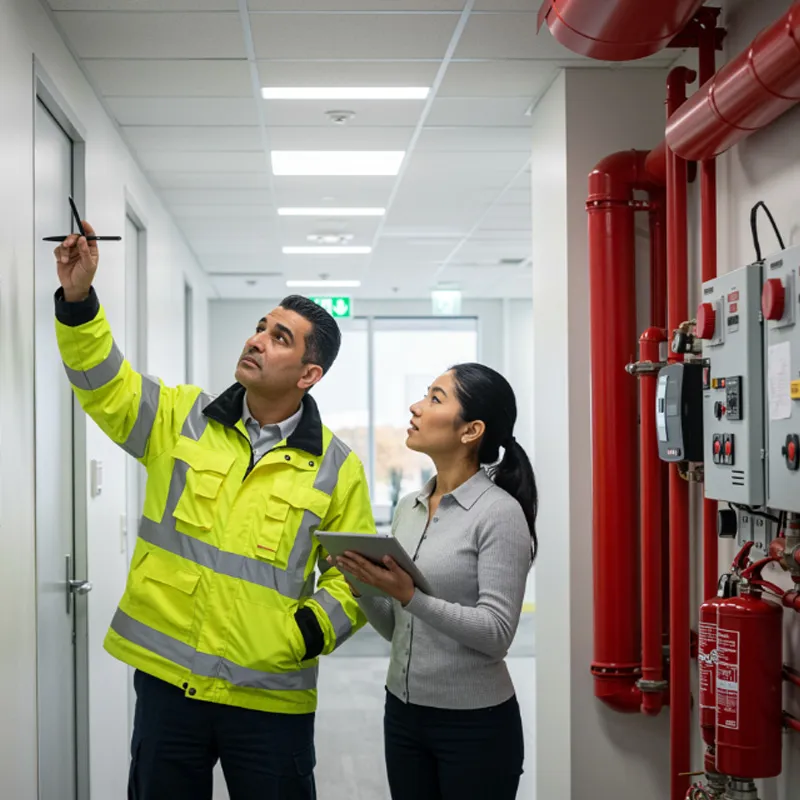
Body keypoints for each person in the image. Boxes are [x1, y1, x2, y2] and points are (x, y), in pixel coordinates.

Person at [53, 223, 375, 800]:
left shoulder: (336, 468)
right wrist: (79, 301)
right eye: (259, 327)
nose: (256, 340)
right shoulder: (181, 416)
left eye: (280, 337)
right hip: (168, 686)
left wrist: (307, 631)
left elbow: (353, 577)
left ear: (309, 375)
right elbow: (105, 386)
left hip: (270, 694)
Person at [334, 363, 537, 800]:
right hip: (403, 715)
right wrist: (362, 584)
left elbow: (497, 634)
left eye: (435, 398)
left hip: (475, 726)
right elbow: (397, 629)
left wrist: (410, 595)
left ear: (471, 431)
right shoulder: (410, 506)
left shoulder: (499, 514)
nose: (416, 407)